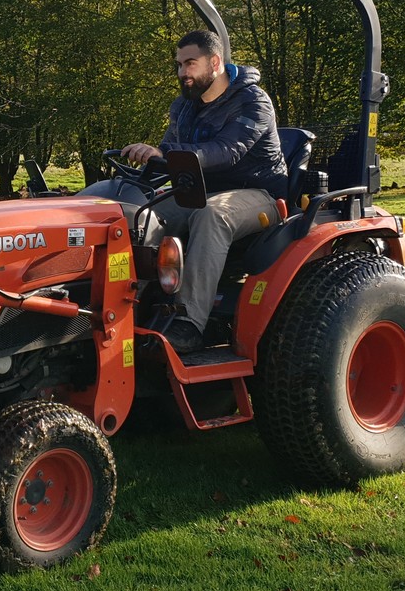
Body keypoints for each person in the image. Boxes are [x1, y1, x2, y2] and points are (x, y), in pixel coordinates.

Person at [120, 29, 287, 353]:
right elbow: (168, 151)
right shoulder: (185, 106)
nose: (183, 72)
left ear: (214, 62)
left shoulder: (253, 101)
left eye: (190, 63)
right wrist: (148, 165)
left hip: (260, 193)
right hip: (199, 190)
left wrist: (165, 155)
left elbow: (227, 150)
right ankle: (126, 308)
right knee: (137, 218)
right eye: (179, 65)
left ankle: (188, 323)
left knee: (213, 216)